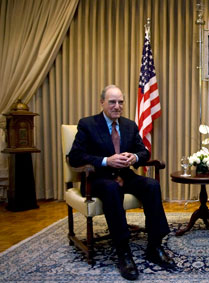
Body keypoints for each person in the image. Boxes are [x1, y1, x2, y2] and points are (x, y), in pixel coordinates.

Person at [68, 85, 175, 280]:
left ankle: (155, 245)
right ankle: (123, 251)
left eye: (120, 102)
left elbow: (144, 152)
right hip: (98, 179)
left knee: (152, 185)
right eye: (112, 102)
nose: (117, 106)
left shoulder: (129, 125)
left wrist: (134, 157)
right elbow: (74, 157)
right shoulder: (87, 124)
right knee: (111, 188)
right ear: (102, 103)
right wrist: (105, 161)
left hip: (125, 175)